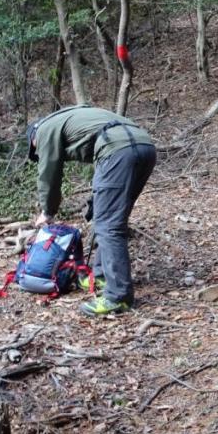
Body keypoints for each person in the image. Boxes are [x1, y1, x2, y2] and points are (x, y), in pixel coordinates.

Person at [26, 105, 156, 316]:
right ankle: (102, 276)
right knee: (109, 219)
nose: (38, 151)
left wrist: (47, 211)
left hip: (118, 151)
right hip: (144, 147)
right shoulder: (72, 116)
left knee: (108, 226)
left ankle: (118, 297)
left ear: (33, 138)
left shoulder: (44, 130)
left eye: (35, 149)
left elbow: (49, 173)